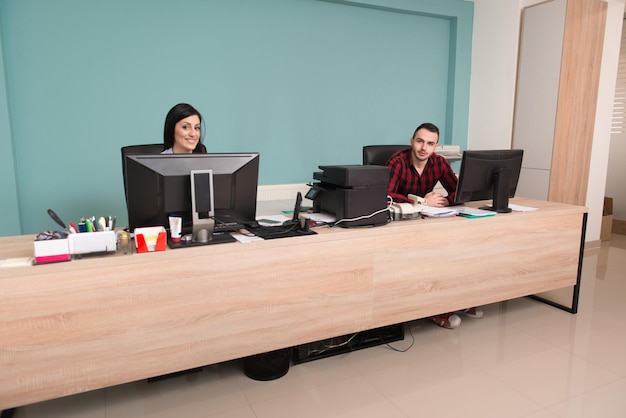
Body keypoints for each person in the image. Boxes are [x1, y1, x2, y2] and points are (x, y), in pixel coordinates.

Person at [386, 122, 483, 329]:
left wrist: (447, 201)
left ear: (436, 147)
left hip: (428, 222)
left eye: (430, 143)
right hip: (399, 224)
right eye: (420, 141)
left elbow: (461, 190)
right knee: (431, 255)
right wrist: (421, 202)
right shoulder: (397, 162)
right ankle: (434, 308)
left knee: (456, 248)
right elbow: (386, 196)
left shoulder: (439, 162)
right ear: (412, 142)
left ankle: (454, 299)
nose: (424, 148)